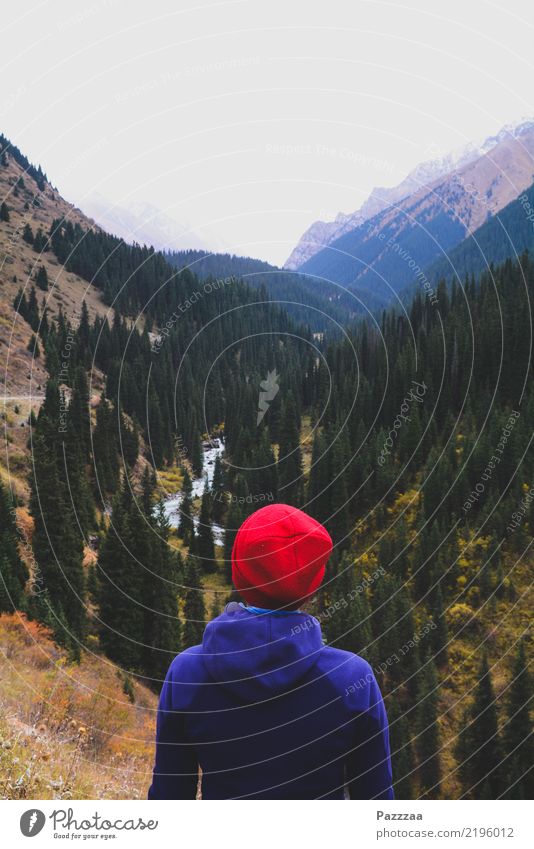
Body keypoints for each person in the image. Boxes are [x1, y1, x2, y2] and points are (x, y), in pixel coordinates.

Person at [148, 503, 393, 800]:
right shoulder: (352, 678)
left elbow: (169, 796)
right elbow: (377, 801)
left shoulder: (187, 672)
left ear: (239, 572)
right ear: (312, 586)